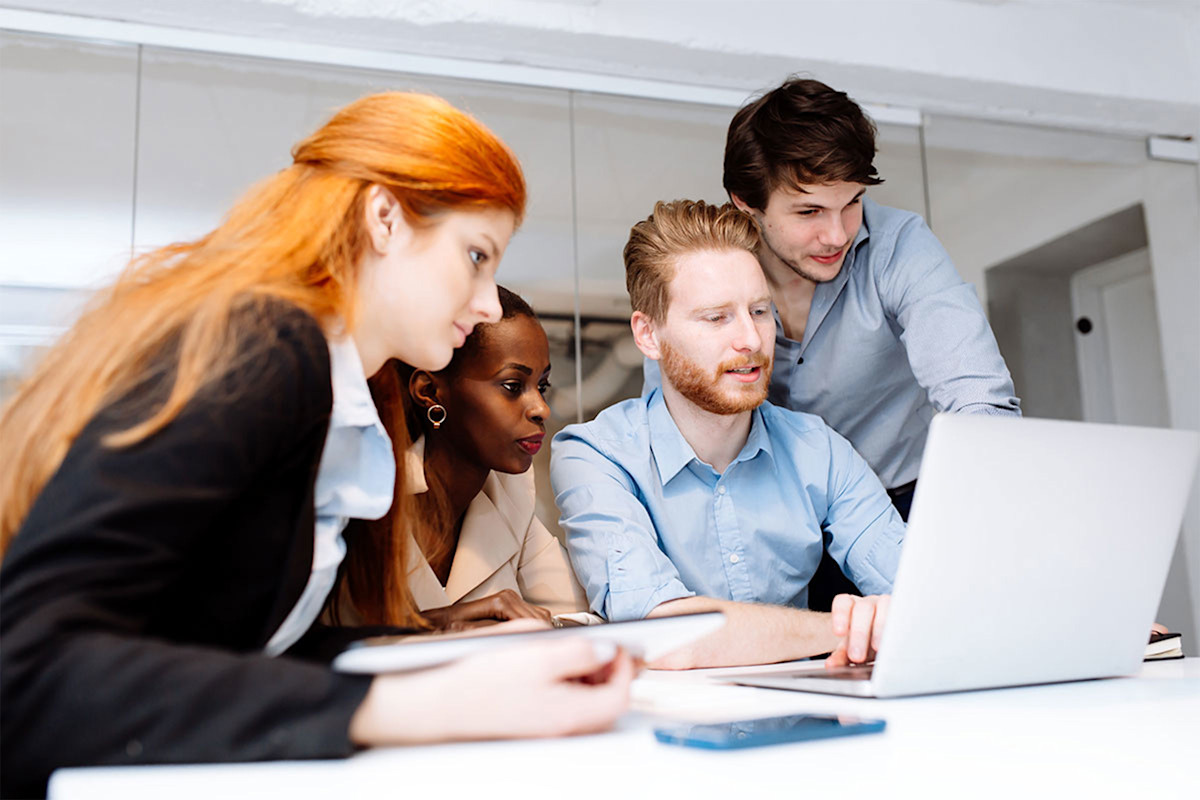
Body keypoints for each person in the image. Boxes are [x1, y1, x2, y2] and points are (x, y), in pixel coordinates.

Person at [0, 91, 631, 799]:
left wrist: (435, 652)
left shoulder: (346, 389)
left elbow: (230, 649)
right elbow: (28, 672)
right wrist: (429, 703)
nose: (489, 303)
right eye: (476, 256)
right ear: (384, 219)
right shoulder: (265, 347)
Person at [645, 77, 1021, 607]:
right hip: (775, 520)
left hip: (908, 506)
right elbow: (677, 423)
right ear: (746, 203)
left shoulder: (899, 246)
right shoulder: (704, 277)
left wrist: (1018, 560)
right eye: (808, 212)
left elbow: (979, 398)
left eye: (852, 203)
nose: (839, 234)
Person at [552, 199, 900, 670]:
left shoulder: (819, 449)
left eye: (759, 311)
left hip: (802, 725)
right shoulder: (595, 456)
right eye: (716, 318)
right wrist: (849, 626)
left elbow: (924, 595)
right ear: (648, 335)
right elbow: (665, 636)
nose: (752, 341)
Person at [329, 286, 593, 630]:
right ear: (429, 392)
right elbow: (289, 646)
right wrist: (441, 625)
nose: (541, 408)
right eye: (513, 385)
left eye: (541, 386)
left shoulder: (511, 493)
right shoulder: (356, 494)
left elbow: (581, 621)